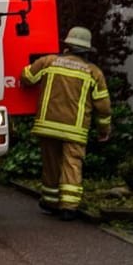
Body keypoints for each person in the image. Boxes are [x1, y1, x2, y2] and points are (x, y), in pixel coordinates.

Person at [22, 27, 113, 220]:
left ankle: (50, 201)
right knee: (72, 164)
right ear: (87, 50)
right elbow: (103, 107)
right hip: (75, 130)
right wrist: (103, 130)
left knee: (51, 164)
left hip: (47, 125)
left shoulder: (48, 62)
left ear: (67, 46)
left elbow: (27, 78)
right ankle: (68, 207)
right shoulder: (93, 73)